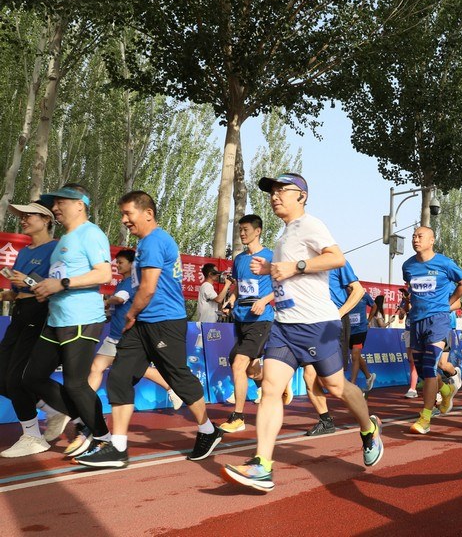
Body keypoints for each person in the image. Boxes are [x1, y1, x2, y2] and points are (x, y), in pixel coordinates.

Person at [222, 173, 383, 492]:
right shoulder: (284, 236)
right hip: (284, 326)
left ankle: (368, 429)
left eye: (282, 190)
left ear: (302, 196)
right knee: (270, 389)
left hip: (316, 325)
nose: (275, 196)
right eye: (272, 192)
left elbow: (336, 258)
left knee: (336, 387)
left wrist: (295, 266)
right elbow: (289, 276)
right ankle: (262, 465)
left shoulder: (311, 225)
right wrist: (270, 270)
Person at [76, 191, 223, 468]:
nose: (124, 220)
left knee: (177, 376)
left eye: (128, 213)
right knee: (119, 376)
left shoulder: (155, 241)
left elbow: (148, 288)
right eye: (122, 214)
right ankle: (118, 447)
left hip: (164, 321)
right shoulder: (144, 243)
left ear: (148, 213)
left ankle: (208, 430)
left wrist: (130, 314)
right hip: (142, 322)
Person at [24, 184, 112, 459]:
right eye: (54, 203)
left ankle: (104, 439)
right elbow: (60, 278)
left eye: (61, 202)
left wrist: (62, 283)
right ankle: (82, 420)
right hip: (56, 319)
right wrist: (45, 288)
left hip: (82, 319)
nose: (55, 208)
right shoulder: (64, 239)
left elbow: (104, 274)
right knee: (32, 377)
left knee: (76, 384)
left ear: (80, 204)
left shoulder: (91, 233)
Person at [86, 249, 183, 443]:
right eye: (116, 262)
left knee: (140, 370)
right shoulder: (121, 282)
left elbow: (119, 299)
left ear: (131, 264)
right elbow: (118, 306)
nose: (117, 265)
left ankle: (172, 389)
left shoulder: (132, 283)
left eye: (121, 262)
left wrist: (103, 301)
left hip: (128, 338)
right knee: (97, 367)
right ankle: (85, 404)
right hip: (114, 337)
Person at [0, 201, 69, 458]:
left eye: (29, 215)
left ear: (47, 220)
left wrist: (27, 281)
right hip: (19, 314)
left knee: (17, 377)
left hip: (39, 313)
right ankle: (51, 410)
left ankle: (33, 436)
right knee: (2, 376)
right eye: (22, 216)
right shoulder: (23, 252)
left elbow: (58, 286)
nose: (24, 219)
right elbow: (17, 291)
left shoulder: (57, 249)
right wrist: (7, 294)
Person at [402, 226, 462, 434]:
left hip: (438, 320)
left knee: (430, 366)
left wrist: (448, 304)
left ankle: (425, 418)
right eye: (414, 236)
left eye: (420, 236)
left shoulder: (445, 263)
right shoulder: (408, 266)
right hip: (416, 322)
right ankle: (446, 390)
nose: (415, 239)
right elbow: (411, 289)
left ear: (432, 240)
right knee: (423, 371)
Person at [219, 215, 275, 434]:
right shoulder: (240, 259)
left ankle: (238, 417)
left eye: (246, 230)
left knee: (239, 364)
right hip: (241, 318)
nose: (242, 233)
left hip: (261, 320)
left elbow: (283, 286)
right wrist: (231, 300)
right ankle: (266, 383)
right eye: (240, 230)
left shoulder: (270, 257)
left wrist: (264, 300)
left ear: (257, 231)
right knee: (248, 368)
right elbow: (239, 285)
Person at [303, 261, 365, 437]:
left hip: (334, 322)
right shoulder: (304, 263)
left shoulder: (337, 262)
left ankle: (365, 418)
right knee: (309, 375)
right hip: (312, 323)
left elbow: (358, 291)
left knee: (331, 381)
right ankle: (326, 421)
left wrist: (339, 313)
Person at [348, 290, 377, 390]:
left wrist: (368, 320)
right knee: (356, 356)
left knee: (355, 355)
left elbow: (374, 306)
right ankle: (369, 377)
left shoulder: (363, 295)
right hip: (349, 330)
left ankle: (353, 384)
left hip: (360, 330)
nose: (348, 288)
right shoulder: (343, 295)